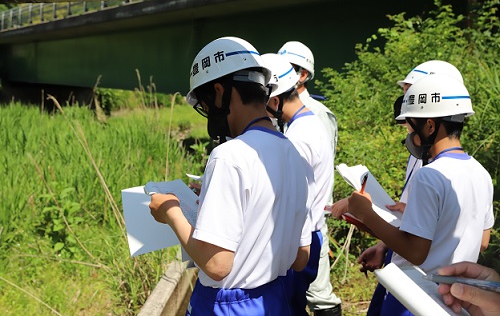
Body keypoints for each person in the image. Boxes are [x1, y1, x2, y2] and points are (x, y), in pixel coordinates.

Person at [149, 36, 314, 315]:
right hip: (274, 301)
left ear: (219, 92)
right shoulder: (292, 152)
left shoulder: (229, 155)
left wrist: (170, 211)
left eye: (205, 104)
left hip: (228, 307)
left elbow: (217, 265)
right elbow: (301, 258)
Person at [345, 74, 494, 315]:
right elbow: (483, 242)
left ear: (430, 126)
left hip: (415, 298)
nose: (408, 134)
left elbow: (415, 252)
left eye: (411, 124)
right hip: (455, 300)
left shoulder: (429, 175)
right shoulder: (480, 172)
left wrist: (366, 213)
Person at [357, 60, 465, 316]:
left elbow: (420, 245)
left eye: (413, 96)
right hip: (413, 274)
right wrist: (385, 246)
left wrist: (366, 213)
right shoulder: (423, 157)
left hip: (421, 286)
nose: (406, 109)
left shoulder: (433, 172)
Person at [263, 53, 337, 316]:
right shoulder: (308, 123)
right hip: (307, 236)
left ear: (274, 100)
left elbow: (293, 200)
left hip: (300, 240)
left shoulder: (299, 137)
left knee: (288, 307)